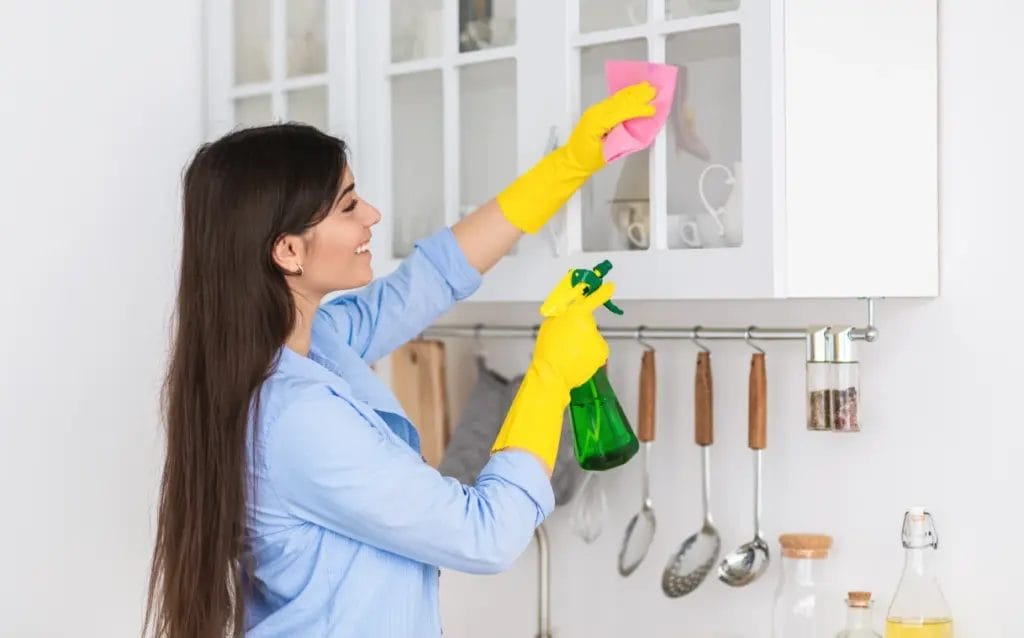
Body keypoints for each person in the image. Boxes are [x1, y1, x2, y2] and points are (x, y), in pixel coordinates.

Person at [144, 81, 656, 638]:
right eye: (348, 207)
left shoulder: (311, 344)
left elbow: (431, 277)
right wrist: (550, 375)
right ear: (288, 250)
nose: (372, 214)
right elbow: (485, 534)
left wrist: (571, 163)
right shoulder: (298, 420)